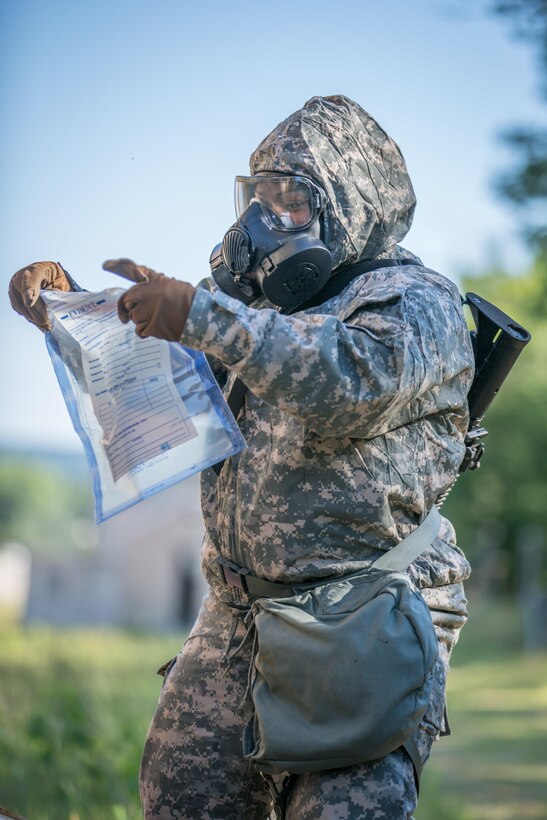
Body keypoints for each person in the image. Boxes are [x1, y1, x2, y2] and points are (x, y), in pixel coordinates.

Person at [9, 94, 474, 819]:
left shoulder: (415, 303)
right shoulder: (255, 307)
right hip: (237, 610)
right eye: (259, 197)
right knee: (179, 801)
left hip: (359, 616)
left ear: (351, 203)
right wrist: (76, 312)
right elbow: (166, 391)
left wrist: (202, 313)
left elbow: (343, 382)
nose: (266, 219)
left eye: (292, 198)